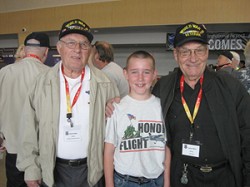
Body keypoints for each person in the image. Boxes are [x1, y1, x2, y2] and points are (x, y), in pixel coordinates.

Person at [106, 22, 250, 187]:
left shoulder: (230, 87)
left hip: (223, 177)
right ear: (176, 55)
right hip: (181, 176)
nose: (193, 58)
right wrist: (114, 103)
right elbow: (140, 103)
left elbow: (248, 136)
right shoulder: (164, 87)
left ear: (207, 52)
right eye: (185, 52)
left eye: (199, 50)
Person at [16, 18, 119, 187]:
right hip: (52, 170)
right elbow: (28, 128)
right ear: (59, 48)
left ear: (91, 50)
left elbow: (116, 130)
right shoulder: (41, 83)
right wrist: (31, 169)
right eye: (71, 43)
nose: (77, 50)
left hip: (93, 171)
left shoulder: (105, 84)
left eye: (84, 44)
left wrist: (115, 110)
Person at [104, 50, 171, 187]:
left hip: (156, 180)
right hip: (124, 181)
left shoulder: (162, 107)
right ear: (125, 74)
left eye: (146, 72)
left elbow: (166, 148)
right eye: (134, 72)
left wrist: (167, 181)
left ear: (154, 75)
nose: (140, 78)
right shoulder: (117, 108)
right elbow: (108, 152)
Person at [0, 32, 50, 187]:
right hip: (41, 152)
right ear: (46, 52)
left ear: (25, 49)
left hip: (12, 149)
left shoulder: (4, 72)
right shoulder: (50, 75)